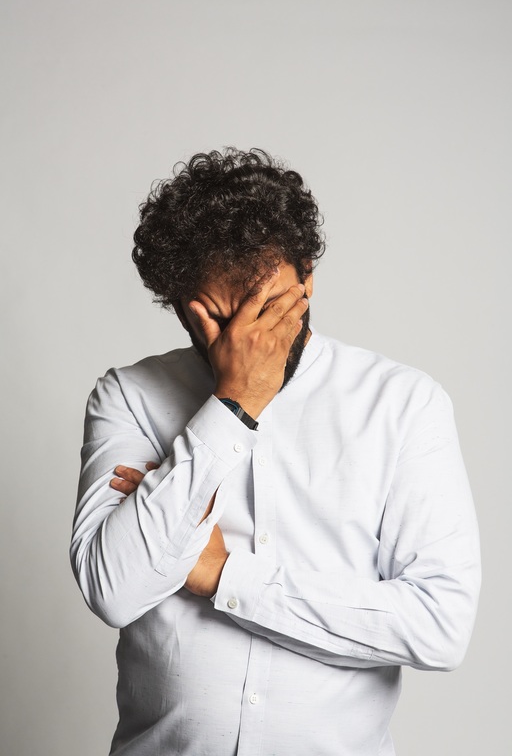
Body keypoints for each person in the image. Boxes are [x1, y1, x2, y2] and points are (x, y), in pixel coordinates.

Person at [71, 148, 481, 756]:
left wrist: (223, 575)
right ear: (184, 306)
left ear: (307, 278)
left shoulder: (403, 404)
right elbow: (114, 586)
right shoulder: (129, 395)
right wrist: (233, 404)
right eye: (225, 314)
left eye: (267, 306)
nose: (250, 336)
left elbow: (439, 626)